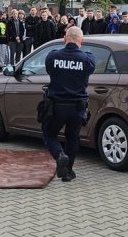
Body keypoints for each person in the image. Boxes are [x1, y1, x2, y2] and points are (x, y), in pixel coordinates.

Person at [43, 26, 95, 182]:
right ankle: (68, 172)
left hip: (57, 106)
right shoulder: (88, 59)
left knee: (49, 134)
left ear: (64, 39)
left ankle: (60, 155)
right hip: (78, 107)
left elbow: (49, 69)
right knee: (72, 138)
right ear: (82, 41)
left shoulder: (52, 57)